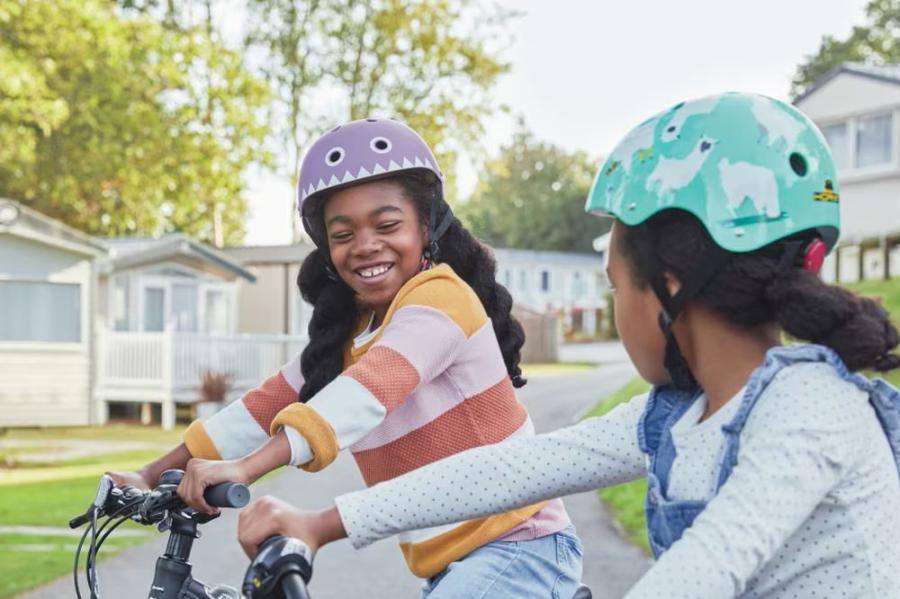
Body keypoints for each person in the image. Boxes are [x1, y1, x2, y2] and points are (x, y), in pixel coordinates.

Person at [235, 93, 900, 598]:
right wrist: (322, 520)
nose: (616, 308)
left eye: (615, 285)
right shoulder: (677, 415)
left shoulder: (809, 410)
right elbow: (512, 469)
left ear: (667, 288)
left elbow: (706, 568)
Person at [109, 118, 581, 598]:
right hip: (455, 567)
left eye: (387, 224)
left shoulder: (441, 299)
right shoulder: (353, 333)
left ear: (427, 224)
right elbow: (262, 406)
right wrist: (148, 474)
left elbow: (363, 395)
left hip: (521, 547)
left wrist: (247, 468)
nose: (366, 245)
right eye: (343, 233)